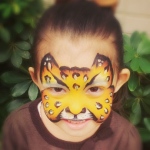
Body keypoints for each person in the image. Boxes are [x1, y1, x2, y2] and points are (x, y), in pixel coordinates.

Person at [2, 0, 142, 150]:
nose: (75, 109)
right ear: (36, 79)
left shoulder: (124, 139)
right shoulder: (19, 128)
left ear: (119, 81)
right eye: (57, 88)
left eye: (94, 89)